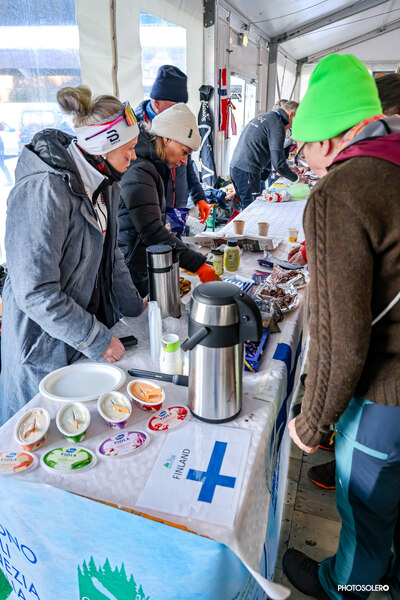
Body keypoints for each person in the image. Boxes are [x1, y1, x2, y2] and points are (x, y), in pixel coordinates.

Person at [282, 54, 400, 600]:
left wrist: (312, 422)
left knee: (366, 516)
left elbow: (340, 340)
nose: (305, 161)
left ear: (328, 140)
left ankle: (346, 589)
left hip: (386, 398)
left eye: (303, 148)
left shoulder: (341, 191)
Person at [1, 85, 144, 425]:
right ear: (103, 147)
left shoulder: (105, 184)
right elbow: (35, 291)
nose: (134, 157)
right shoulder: (45, 190)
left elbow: (111, 256)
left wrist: (136, 311)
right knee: (40, 429)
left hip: (78, 333)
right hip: (41, 344)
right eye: (129, 149)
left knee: (82, 427)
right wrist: (95, 338)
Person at [118, 103, 216, 297]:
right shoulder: (140, 169)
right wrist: (197, 264)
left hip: (141, 253)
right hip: (130, 259)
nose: (185, 161)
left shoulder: (155, 163)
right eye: (185, 152)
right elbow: (151, 230)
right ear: (167, 138)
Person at [135, 64, 212, 223]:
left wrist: (199, 197)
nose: (178, 112)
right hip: (153, 212)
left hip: (178, 208)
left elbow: (187, 163)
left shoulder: (179, 124)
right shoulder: (135, 131)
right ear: (156, 102)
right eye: (173, 107)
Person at [229, 100, 304, 209]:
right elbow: (278, 163)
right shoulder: (277, 124)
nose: (294, 125)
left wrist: (286, 169)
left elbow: (266, 151)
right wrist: (297, 180)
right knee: (251, 210)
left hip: (236, 167)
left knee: (246, 207)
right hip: (247, 170)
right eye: (296, 120)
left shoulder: (265, 117)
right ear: (291, 114)